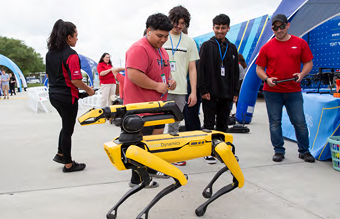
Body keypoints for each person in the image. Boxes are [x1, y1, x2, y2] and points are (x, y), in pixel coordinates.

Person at [124, 13, 175, 188]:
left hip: (158, 106)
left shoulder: (160, 50)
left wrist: (170, 81)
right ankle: (137, 180)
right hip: (141, 107)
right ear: (148, 31)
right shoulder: (139, 48)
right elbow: (133, 74)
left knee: (155, 141)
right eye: (159, 36)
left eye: (166, 36)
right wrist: (155, 86)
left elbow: (164, 71)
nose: (163, 40)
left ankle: (151, 168)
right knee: (140, 144)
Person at [256, 14, 315, 163]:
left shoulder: (300, 43)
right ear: (272, 29)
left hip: (293, 90)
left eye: (281, 26)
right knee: (275, 122)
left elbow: (309, 63)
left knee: (300, 122)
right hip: (272, 92)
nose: (279, 30)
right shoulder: (266, 47)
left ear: (287, 25)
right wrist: (267, 79)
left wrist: (301, 74)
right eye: (275, 27)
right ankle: (278, 151)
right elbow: (259, 69)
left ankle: (304, 150)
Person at [46, 19, 95, 172]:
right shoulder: (71, 55)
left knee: (65, 126)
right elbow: (75, 80)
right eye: (76, 35)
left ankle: (61, 153)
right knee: (68, 130)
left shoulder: (50, 54)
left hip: (53, 95)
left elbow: (50, 75)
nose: (77, 38)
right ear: (69, 37)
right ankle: (68, 163)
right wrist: (88, 90)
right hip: (66, 97)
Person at [197, 14, 240, 164]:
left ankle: (221, 150)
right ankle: (208, 150)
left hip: (226, 94)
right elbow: (200, 69)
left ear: (228, 28)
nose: (220, 31)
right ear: (213, 28)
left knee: (223, 123)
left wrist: (235, 92)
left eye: (223, 28)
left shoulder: (232, 48)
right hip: (210, 93)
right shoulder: (207, 46)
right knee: (208, 123)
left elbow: (235, 72)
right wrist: (203, 90)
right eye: (217, 27)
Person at [163, 6, 199, 136]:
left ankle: (172, 151)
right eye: (176, 22)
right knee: (158, 123)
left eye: (182, 24)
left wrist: (193, 92)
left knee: (174, 126)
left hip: (181, 90)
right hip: (161, 88)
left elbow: (192, 68)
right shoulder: (162, 38)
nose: (178, 26)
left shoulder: (190, 42)